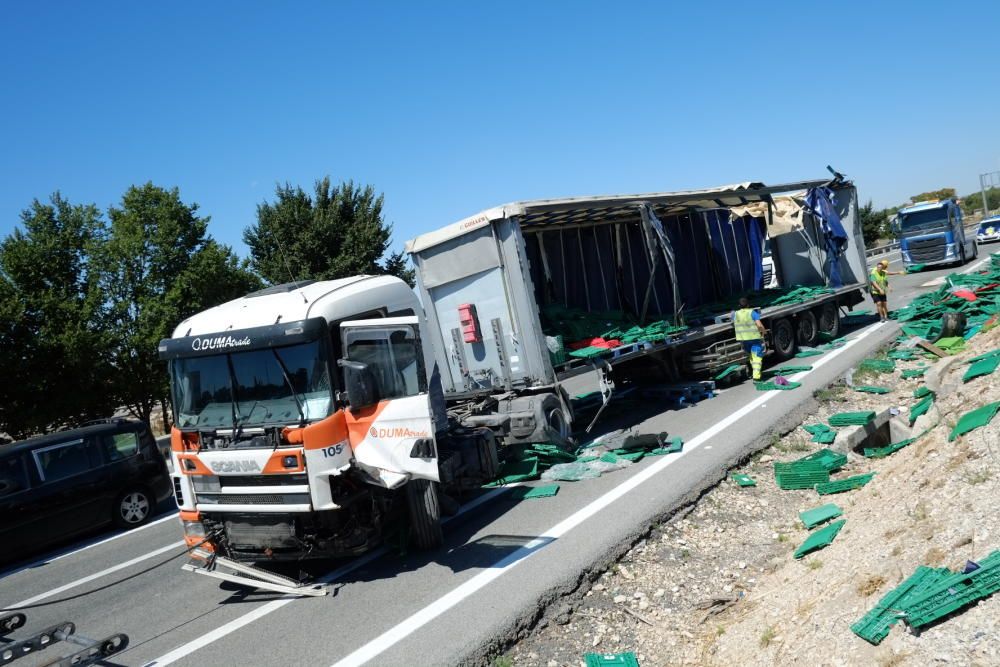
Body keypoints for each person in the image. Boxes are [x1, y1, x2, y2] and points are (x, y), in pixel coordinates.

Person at [733, 296, 768, 381]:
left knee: (752, 357)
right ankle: (756, 376)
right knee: (757, 357)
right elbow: (759, 325)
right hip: (754, 338)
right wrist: (764, 332)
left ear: (739, 305)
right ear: (748, 305)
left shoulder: (735, 314)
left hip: (744, 340)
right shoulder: (752, 312)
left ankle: (755, 373)